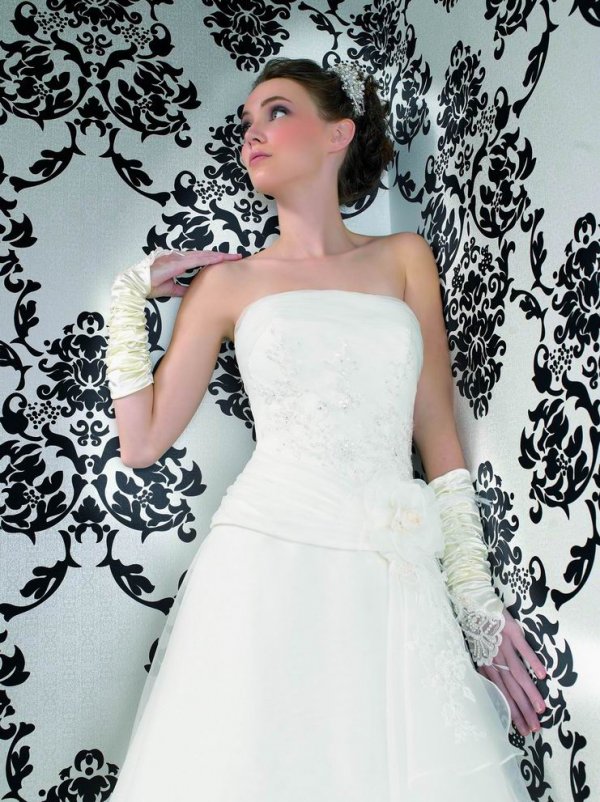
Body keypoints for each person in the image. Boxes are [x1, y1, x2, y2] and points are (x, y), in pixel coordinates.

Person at [105, 57, 546, 801]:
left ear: (339, 133)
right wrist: (125, 298)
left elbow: (437, 431)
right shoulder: (227, 284)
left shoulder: (404, 258)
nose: (252, 134)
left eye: (276, 111)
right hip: (263, 556)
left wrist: (474, 596)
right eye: (245, 123)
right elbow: (142, 442)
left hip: (388, 575)